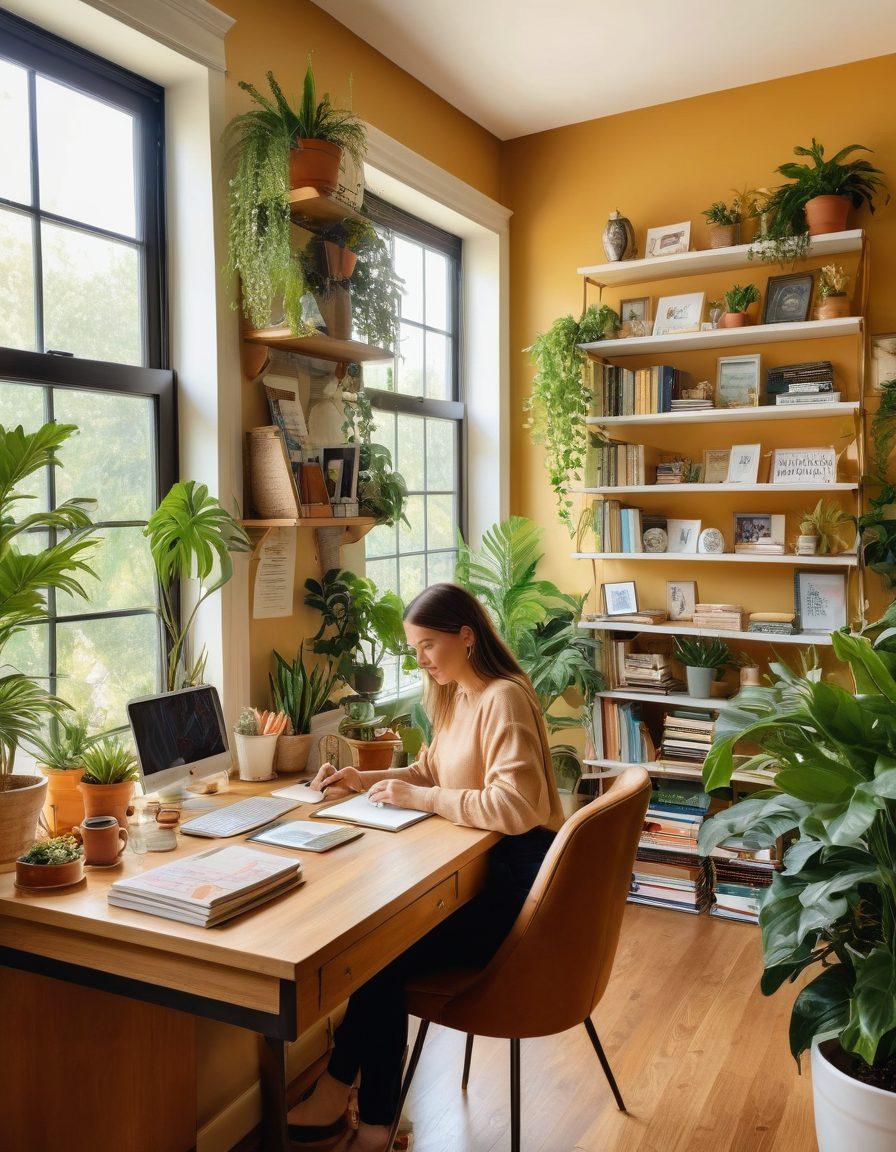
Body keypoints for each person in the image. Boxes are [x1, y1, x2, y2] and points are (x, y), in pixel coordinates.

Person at [287, 582, 564, 1152]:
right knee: (380, 950)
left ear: (466, 636)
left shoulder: (503, 697)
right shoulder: (458, 695)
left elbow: (513, 807)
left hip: (517, 885)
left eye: (429, 646)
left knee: (381, 956)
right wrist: (362, 782)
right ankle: (348, 1097)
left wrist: (422, 800)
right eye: (415, 649)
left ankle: (368, 1119)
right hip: (487, 870)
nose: (422, 660)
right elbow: (430, 772)